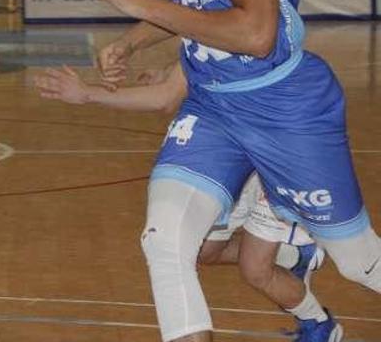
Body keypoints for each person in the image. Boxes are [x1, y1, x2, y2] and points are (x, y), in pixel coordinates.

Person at [92, 0, 381, 340]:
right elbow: (191, 4)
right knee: (166, 242)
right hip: (212, 107)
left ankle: (303, 257)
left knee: (358, 263)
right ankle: (298, 271)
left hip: (284, 110)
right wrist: (130, 40)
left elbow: (256, 34)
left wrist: (142, 4)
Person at [35, 61, 336, 337]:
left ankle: (318, 323)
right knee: (203, 250)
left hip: (269, 155)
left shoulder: (244, 18)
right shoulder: (207, 16)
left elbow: (165, 97)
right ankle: (292, 255)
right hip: (222, 151)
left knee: (254, 269)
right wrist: (170, 70)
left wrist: (88, 93)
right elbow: (194, 44)